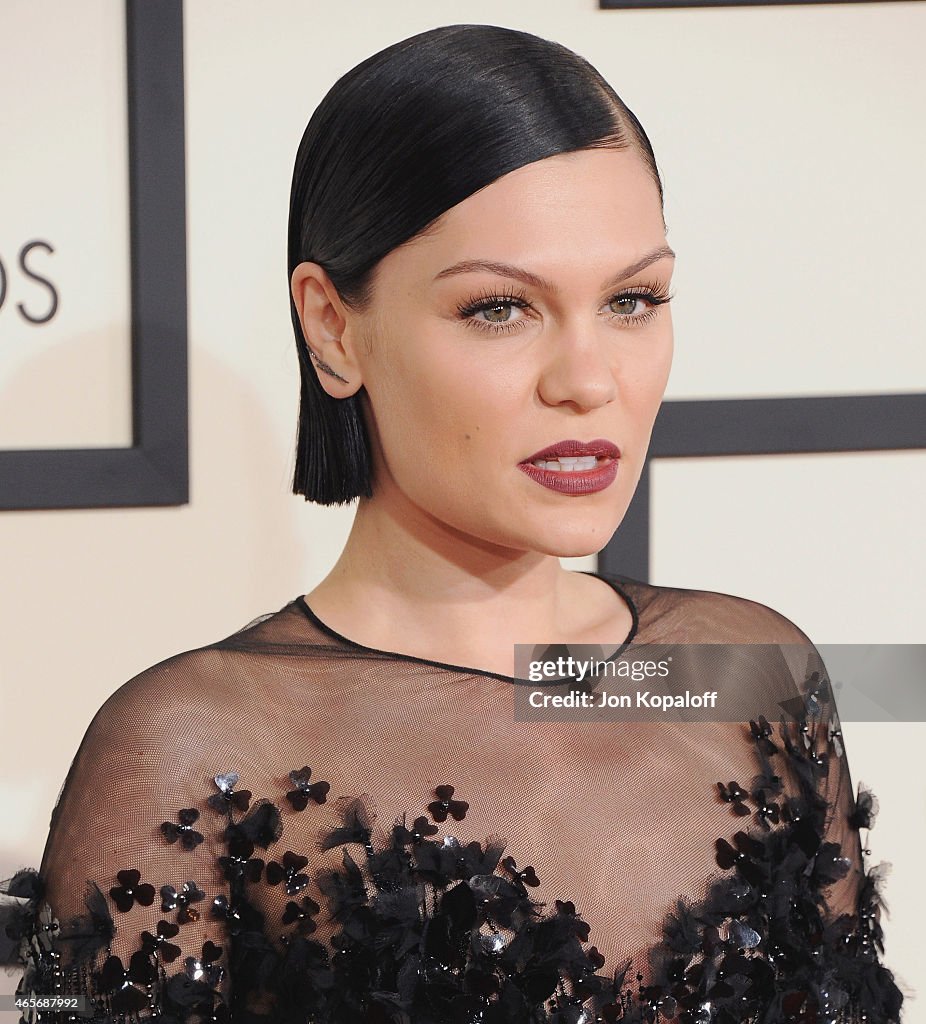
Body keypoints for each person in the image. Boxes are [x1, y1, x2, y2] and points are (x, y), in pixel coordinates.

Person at [0, 23, 907, 1024]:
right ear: (332, 327)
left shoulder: (745, 668)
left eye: (632, 299)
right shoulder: (194, 747)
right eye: (498, 309)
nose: (587, 380)